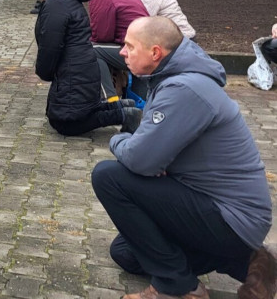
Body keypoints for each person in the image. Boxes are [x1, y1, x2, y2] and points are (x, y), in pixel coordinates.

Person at [91, 16, 276, 299]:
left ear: (156, 53)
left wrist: (117, 139)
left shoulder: (184, 89)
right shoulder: (170, 78)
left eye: (129, 46)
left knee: (109, 177)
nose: (122, 52)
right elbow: (149, 153)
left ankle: (178, 287)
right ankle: (251, 264)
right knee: (126, 253)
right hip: (216, 208)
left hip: (233, 217)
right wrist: (151, 157)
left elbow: (140, 159)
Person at [32, 0, 141, 137]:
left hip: (74, 71)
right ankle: (122, 106)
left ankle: (122, 114)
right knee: (65, 113)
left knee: (65, 124)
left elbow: (50, 47)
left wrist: (44, 71)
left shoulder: (56, 4)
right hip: (80, 67)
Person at [77, 0, 149, 99]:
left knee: (90, 50)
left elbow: (102, 35)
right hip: (144, 45)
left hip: (136, 49)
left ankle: (109, 98)